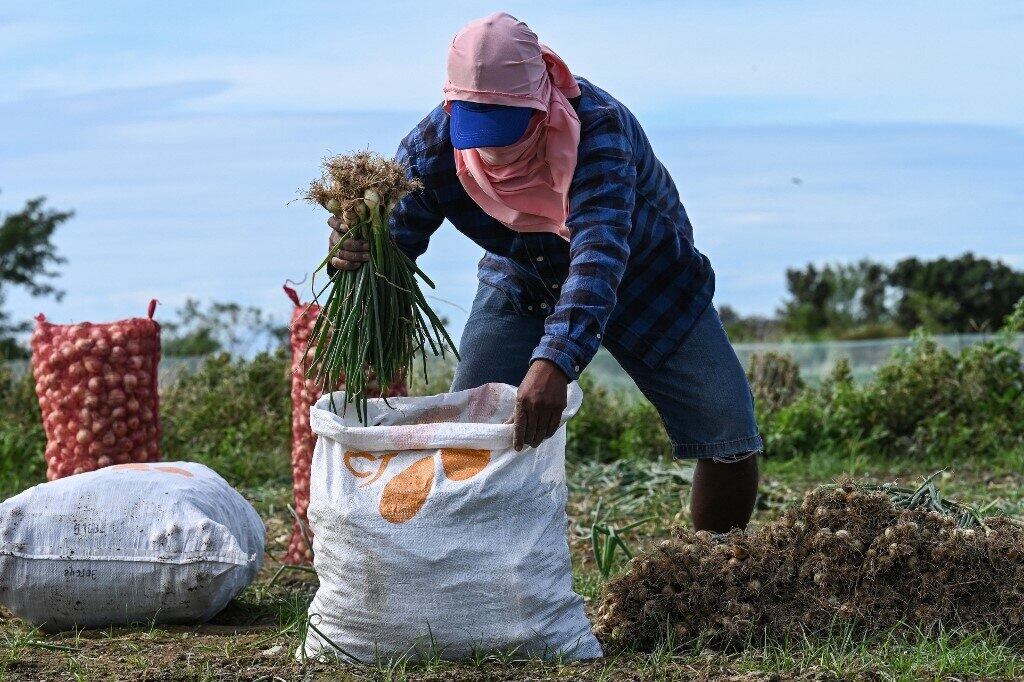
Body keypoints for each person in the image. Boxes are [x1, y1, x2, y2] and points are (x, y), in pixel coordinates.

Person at [327, 12, 761, 532]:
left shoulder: (597, 128)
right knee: (475, 437)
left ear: (542, 95)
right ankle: (479, 574)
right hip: (523, 280)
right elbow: (391, 246)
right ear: (453, 104)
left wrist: (555, 361)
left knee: (729, 433)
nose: (494, 147)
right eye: (478, 125)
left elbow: (599, 253)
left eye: (508, 124)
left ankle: (713, 576)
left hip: (645, 278)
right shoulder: (434, 147)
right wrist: (354, 252)